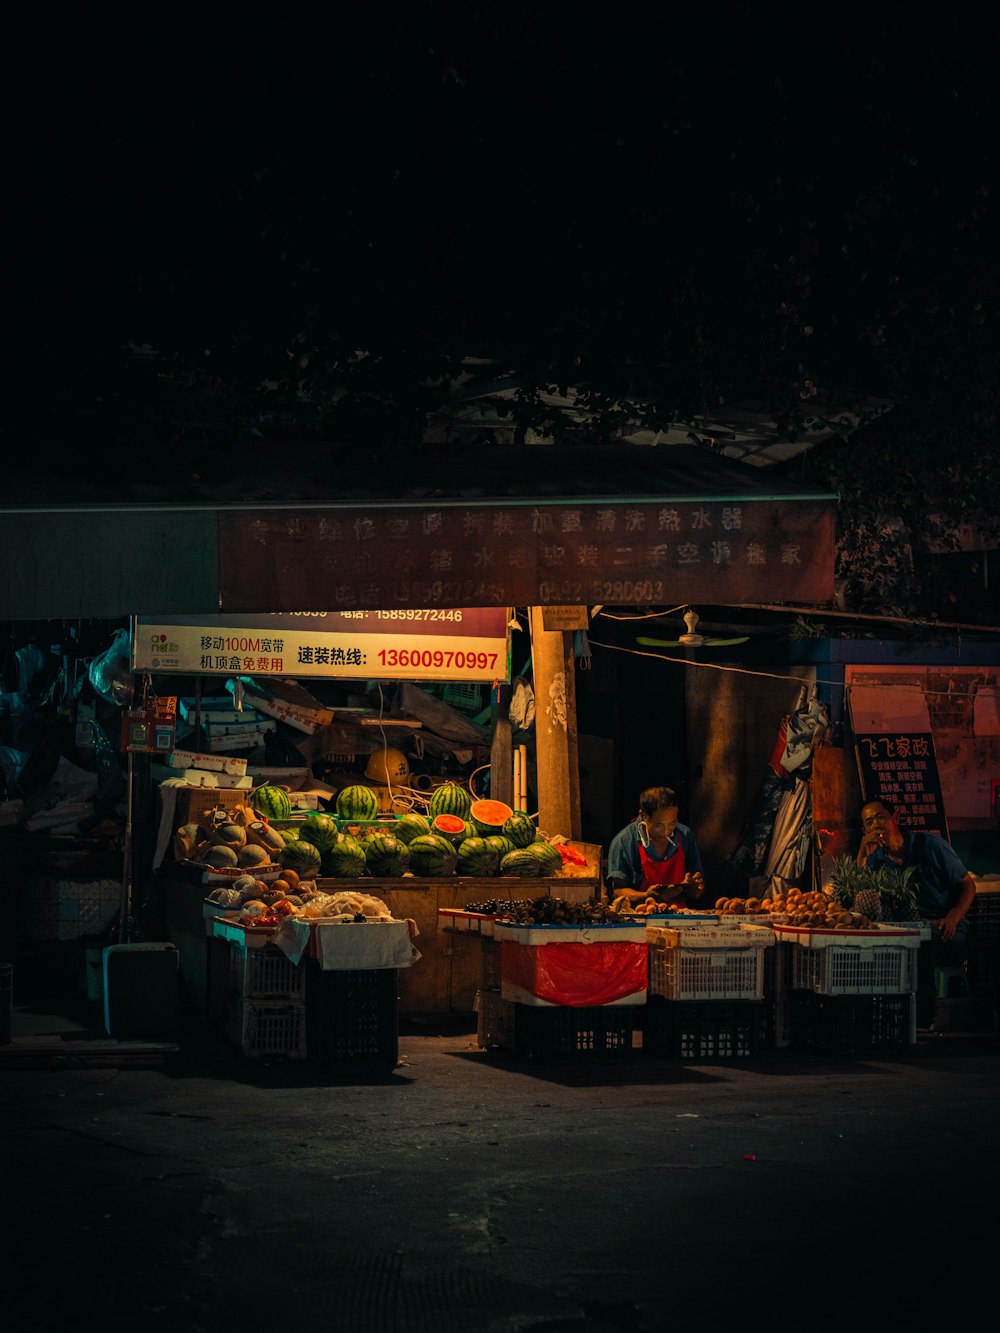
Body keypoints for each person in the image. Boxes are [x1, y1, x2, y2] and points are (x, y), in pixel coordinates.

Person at [856, 799, 976, 1025]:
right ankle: (878, 1017)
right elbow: (861, 897)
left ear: (896, 818)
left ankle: (923, 1018)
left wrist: (953, 917)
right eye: (869, 822)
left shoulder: (931, 845)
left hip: (946, 929)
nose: (876, 825)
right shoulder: (875, 860)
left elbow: (968, 884)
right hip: (904, 930)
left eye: (880, 817)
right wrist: (862, 855)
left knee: (922, 939)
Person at [606, 786, 705, 907]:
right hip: (639, 917)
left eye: (672, 822)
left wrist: (695, 888)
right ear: (643, 816)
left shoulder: (686, 836)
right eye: (659, 825)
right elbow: (618, 891)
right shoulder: (624, 841)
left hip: (680, 916)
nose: (667, 830)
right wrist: (647, 897)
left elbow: (698, 886)